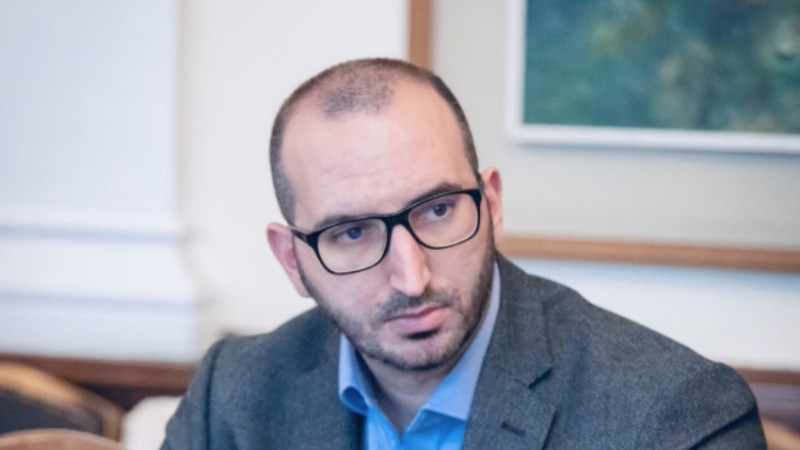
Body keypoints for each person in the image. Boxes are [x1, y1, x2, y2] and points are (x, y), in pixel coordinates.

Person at [161, 58, 766, 449]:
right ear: (292, 260)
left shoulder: (675, 416)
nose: (411, 277)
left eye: (437, 210)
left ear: (492, 203)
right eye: (352, 233)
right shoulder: (233, 394)